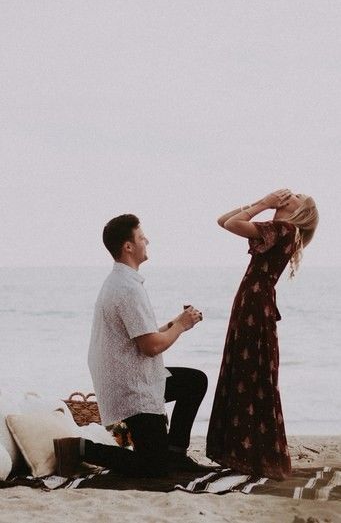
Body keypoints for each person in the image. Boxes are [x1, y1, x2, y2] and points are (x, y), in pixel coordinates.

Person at [54, 214, 210, 478]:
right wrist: (180, 326)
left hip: (133, 377)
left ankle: (175, 452)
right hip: (131, 388)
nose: (146, 240)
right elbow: (150, 347)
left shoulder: (121, 282)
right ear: (128, 246)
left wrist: (178, 322)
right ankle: (81, 448)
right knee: (153, 469)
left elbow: (143, 335)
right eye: (141, 237)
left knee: (194, 382)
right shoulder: (127, 288)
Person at [206, 189, 319, 480]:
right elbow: (222, 220)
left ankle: (244, 454)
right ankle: (242, 452)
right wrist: (259, 204)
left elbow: (230, 224)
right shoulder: (282, 231)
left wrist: (264, 203)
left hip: (254, 304)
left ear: (299, 212)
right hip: (255, 301)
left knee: (249, 372)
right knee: (250, 371)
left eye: (294, 197)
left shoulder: (283, 228)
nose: (287, 195)